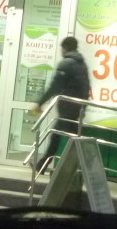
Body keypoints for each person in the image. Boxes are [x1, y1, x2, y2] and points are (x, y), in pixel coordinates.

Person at [32, 35, 91, 172]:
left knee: (65, 138)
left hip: (67, 107)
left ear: (65, 48)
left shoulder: (66, 64)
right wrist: (83, 107)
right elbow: (87, 87)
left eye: (61, 48)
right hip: (77, 108)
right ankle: (42, 165)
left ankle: (85, 168)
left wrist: (40, 103)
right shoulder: (82, 64)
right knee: (60, 137)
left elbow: (54, 87)